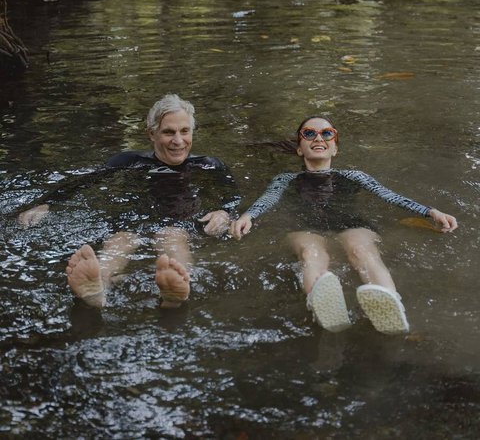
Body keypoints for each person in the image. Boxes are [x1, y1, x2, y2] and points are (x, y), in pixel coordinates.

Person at [230, 115, 457, 335]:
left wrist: (429, 212)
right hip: (305, 226)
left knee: (360, 249)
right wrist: (249, 215)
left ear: (335, 148)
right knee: (311, 253)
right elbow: (269, 198)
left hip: (350, 225)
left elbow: (389, 196)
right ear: (300, 148)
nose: (319, 138)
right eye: (309, 134)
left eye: (327, 133)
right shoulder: (286, 179)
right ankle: (324, 307)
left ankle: (389, 305)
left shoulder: (354, 175)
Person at [18, 94, 240, 309]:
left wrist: (224, 212)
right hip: (131, 219)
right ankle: (96, 288)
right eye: (168, 132)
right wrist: (47, 203)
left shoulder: (209, 165)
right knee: (121, 239)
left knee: (172, 236)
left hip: (180, 220)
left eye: (185, 131)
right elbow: (85, 181)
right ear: (152, 134)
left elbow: (232, 196)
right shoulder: (128, 161)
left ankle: (176, 289)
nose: (178, 141)